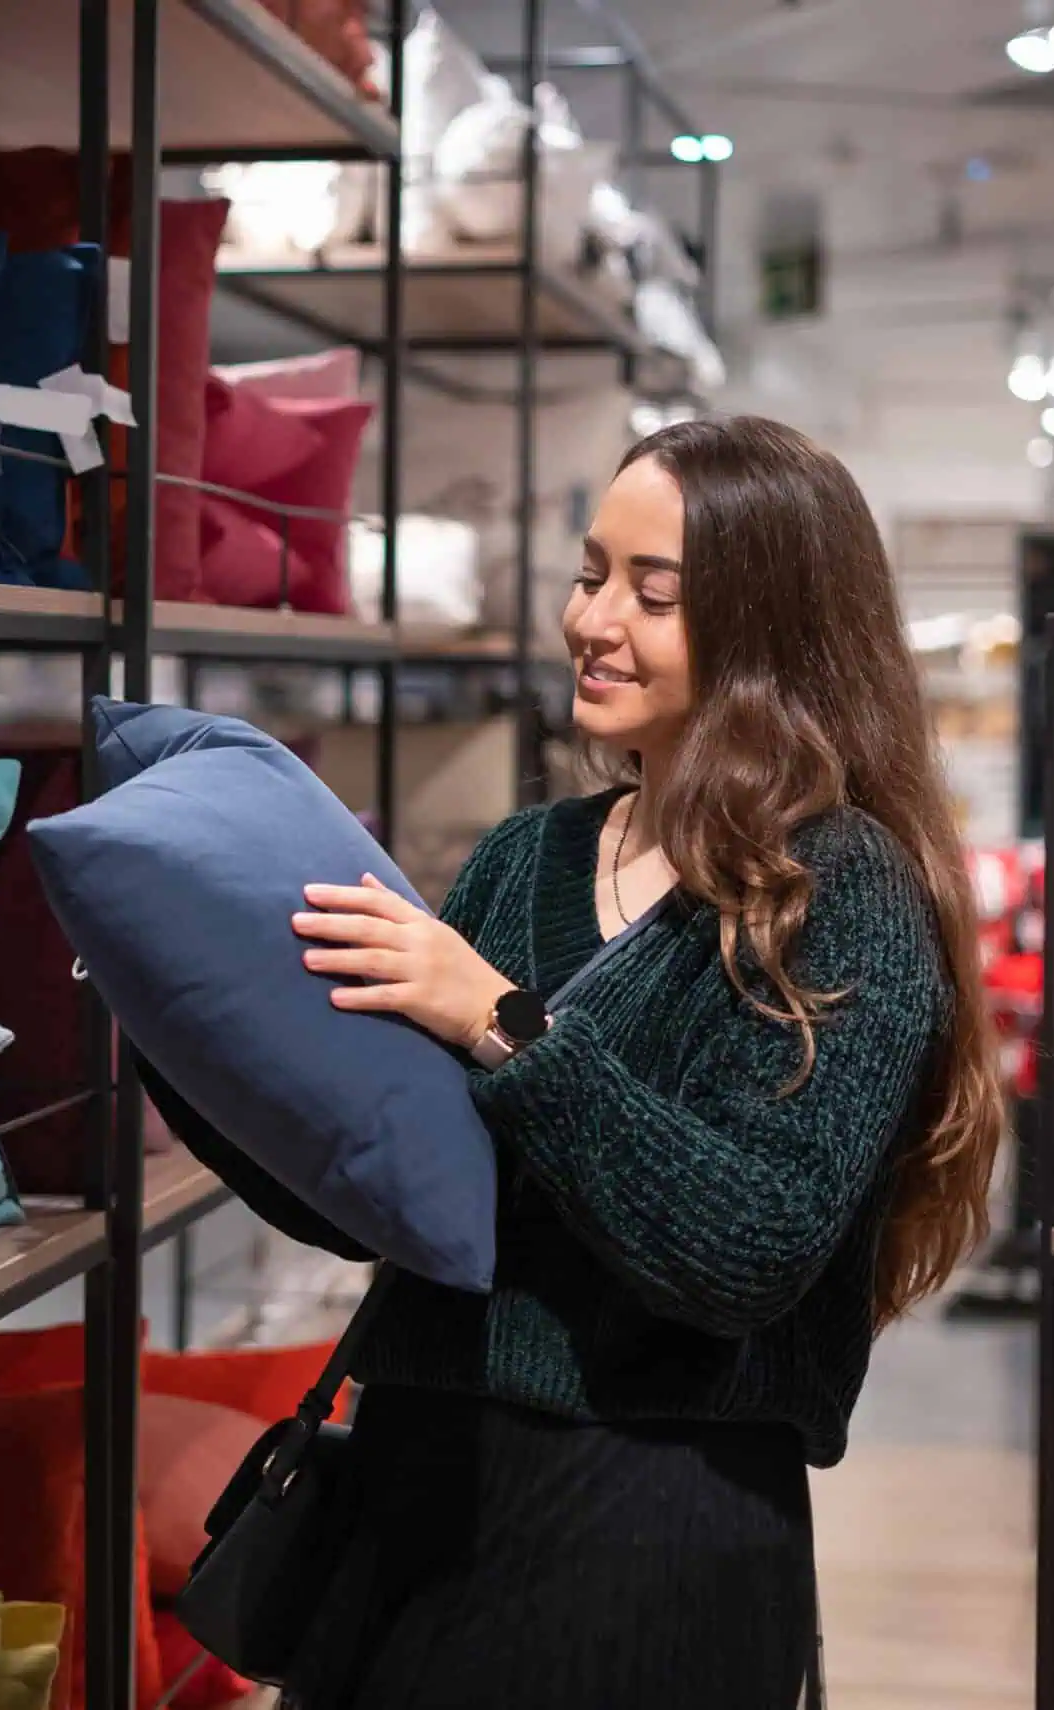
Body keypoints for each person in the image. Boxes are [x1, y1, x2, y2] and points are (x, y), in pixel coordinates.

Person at [164, 415, 1005, 1707]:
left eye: (653, 593)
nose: (593, 618)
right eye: (591, 571)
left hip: (658, 1524)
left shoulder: (842, 893)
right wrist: (177, 1021)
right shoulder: (527, 855)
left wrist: (501, 1022)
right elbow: (382, 1190)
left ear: (769, 630)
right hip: (410, 1499)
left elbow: (748, 1246)